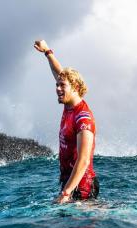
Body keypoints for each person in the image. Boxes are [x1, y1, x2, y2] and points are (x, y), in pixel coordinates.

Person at [34, 40, 99, 204]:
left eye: (62, 85)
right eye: (56, 85)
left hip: (82, 188)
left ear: (75, 87)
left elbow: (83, 160)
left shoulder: (83, 118)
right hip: (69, 183)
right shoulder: (69, 105)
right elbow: (59, 72)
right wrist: (47, 52)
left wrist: (66, 193)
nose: (57, 88)